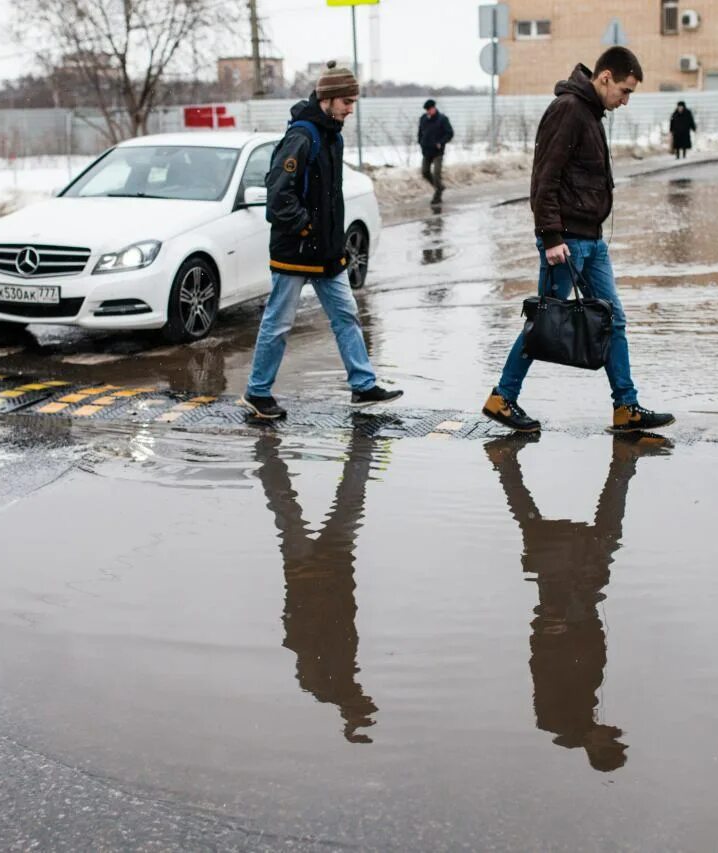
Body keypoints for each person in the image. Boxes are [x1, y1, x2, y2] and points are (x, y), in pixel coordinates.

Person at [481, 47, 675, 435]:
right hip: (565, 242)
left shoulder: (589, 112)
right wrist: (550, 236)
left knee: (613, 320)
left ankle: (626, 407)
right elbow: (545, 177)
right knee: (543, 325)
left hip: (591, 241)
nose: (625, 100)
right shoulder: (569, 109)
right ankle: (501, 398)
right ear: (604, 77)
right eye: (624, 90)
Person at [485, 432, 670, 771]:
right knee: (561, 532)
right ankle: (621, 465)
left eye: (611, 739)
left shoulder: (558, 720)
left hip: (564, 610)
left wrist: (549, 627)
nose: (613, 730)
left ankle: (622, 464)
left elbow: (544, 667)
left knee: (548, 533)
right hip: (579, 608)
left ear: (597, 749)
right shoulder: (580, 716)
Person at [245, 61, 403, 419]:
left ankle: (363, 387)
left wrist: (330, 239)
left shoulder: (333, 135)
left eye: (353, 101)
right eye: (346, 101)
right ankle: (257, 393)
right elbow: (278, 196)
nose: (350, 109)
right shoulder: (302, 137)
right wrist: (306, 229)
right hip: (296, 250)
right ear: (327, 99)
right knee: (279, 323)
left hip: (327, 251)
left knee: (346, 315)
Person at [255, 432, 381, 744]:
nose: (367, 699)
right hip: (328, 572)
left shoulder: (324, 681)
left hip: (310, 576)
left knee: (295, 507)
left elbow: (303, 635)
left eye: (362, 704)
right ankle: (268, 452)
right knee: (296, 507)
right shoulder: (339, 673)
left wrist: (346, 710)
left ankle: (267, 450)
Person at [417, 98, 454, 204]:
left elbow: (449, 133)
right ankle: (440, 187)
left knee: (437, 174)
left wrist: (441, 142)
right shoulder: (423, 119)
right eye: (427, 110)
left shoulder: (442, 119)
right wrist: (420, 142)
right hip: (427, 150)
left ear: (434, 108)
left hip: (438, 151)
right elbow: (420, 132)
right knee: (425, 172)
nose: (428, 111)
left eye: (430, 109)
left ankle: (437, 195)